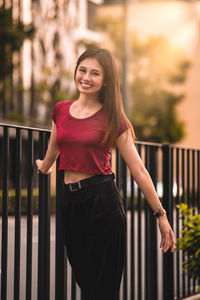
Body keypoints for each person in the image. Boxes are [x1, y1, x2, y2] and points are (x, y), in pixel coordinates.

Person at [36, 47, 175, 300]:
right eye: (82, 70)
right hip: (70, 202)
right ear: (76, 72)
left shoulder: (113, 117)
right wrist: (44, 166)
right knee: (84, 278)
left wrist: (160, 214)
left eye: (95, 73)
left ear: (106, 80)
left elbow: (139, 170)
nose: (86, 77)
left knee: (103, 286)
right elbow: (55, 147)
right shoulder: (60, 110)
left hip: (103, 201)